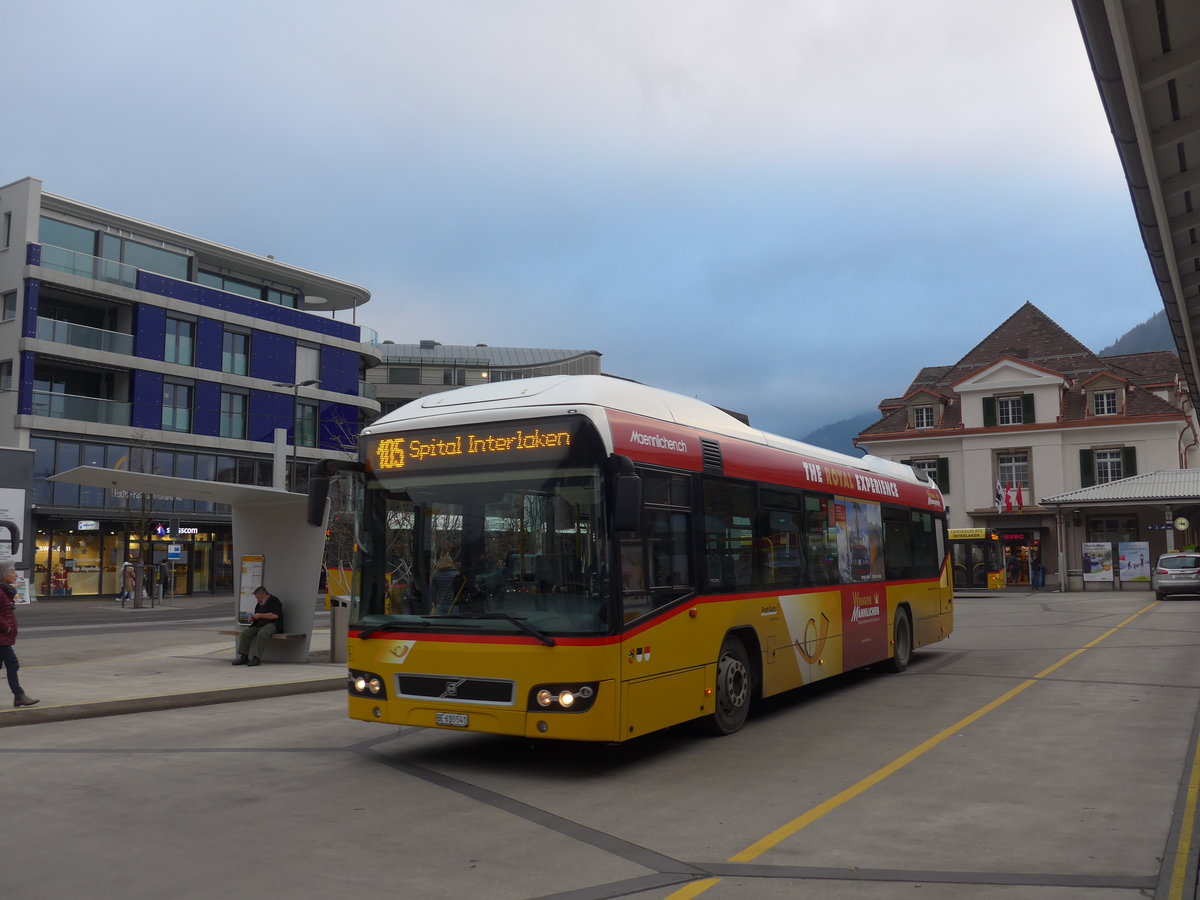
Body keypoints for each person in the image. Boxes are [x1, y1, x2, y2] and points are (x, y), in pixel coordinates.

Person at [0, 562, 39, 707]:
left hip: (3, 637)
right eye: (12, 572)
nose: (16, 575)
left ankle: (19, 696)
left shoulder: (5, 591)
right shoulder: (1, 591)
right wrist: (7, 628)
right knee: (12, 663)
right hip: (1, 637)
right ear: (3, 576)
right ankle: (19, 695)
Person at [233, 585, 284, 667]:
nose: (257, 600)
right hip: (259, 625)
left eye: (258, 598)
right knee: (246, 633)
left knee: (262, 633)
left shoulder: (275, 601)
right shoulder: (259, 604)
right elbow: (257, 615)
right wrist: (253, 618)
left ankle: (256, 658)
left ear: (263, 595)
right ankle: (244, 657)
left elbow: (275, 615)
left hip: (272, 625)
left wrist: (260, 615)